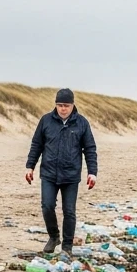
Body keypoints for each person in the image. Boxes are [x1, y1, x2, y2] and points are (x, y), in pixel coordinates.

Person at [25, 88, 98, 255]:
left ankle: (67, 246)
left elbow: (90, 149)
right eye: (59, 105)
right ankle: (53, 236)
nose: (62, 108)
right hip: (49, 172)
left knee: (69, 210)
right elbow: (36, 145)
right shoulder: (46, 121)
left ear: (72, 105)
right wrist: (30, 166)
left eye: (66, 105)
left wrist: (92, 172)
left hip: (71, 175)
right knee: (47, 206)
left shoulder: (82, 123)